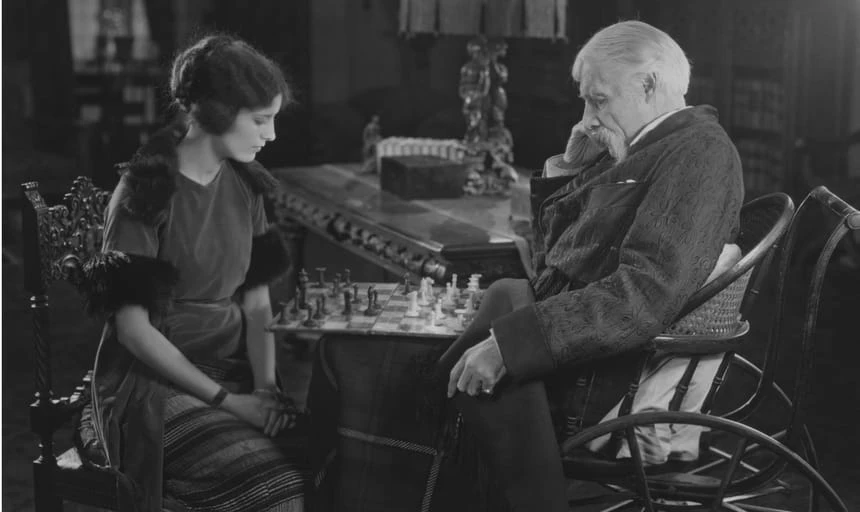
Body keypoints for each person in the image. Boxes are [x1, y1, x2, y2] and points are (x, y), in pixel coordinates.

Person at [440, 20, 744, 511]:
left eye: (599, 100)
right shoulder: (639, 146)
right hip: (580, 352)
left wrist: (512, 346)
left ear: (649, 84)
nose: (588, 118)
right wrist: (568, 168)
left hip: (597, 377)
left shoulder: (700, 153)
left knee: (417, 378)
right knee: (439, 355)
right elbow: (553, 265)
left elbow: (644, 293)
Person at [76, 34, 308, 512]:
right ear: (216, 112)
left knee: (324, 451)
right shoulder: (145, 192)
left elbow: (257, 304)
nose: (271, 135)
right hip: (151, 386)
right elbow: (133, 331)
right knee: (276, 484)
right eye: (259, 120)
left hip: (233, 371)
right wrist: (230, 402)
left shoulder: (247, 185)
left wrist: (265, 389)